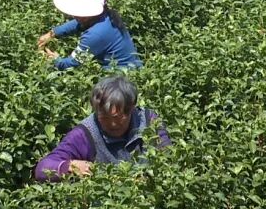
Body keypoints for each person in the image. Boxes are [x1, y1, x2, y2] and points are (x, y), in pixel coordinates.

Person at [34, 75, 170, 182]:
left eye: (117, 117)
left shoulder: (149, 121)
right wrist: (70, 167)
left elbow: (168, 158)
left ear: (132, 108)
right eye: (104, 117)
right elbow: (42, 168)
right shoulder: (85, 133)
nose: (112, 124)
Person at [37, 0, 143, 71]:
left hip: (119, 78)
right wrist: (53, 33)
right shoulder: (107, 15)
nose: (74, 15)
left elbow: (74, 63)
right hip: (134, 67)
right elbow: (79, 23)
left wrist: (56, 60)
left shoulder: (95, 35)